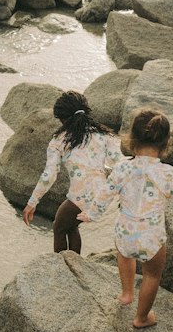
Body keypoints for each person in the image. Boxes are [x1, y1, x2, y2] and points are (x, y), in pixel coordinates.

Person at [97, 107, 173, 329]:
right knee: (152, 275)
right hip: (152, 236)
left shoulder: (121, 168)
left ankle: (126, 294)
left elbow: (105, 193)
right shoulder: (168, 174)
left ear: (131, 139)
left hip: (125, 231)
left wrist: (91, 213)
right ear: (165, 143)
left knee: (124, 255)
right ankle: (141, 318)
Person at [22, 90, 124, 253]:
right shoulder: (102, 133)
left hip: (81, 195)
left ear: (62, 118)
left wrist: (32, 202)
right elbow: (119, 163)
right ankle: (74, 262)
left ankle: (62, 267)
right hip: (102, 192)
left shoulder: (60, 140)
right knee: (70, 226)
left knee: (59, 227)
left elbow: (49, 175)